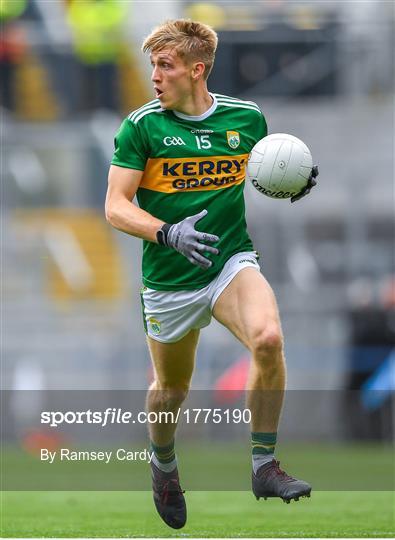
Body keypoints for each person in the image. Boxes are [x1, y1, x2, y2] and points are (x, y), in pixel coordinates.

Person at [105, 19, 318, 530]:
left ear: (197, 70)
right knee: (171, 389)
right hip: (169, 279)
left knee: (268, 339)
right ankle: (163, 463)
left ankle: (264, 464)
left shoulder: (247, 120)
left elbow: (268, 170)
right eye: (153, 65)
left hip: (228, 264)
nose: (154, 76)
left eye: (165, 65)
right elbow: (115, 206)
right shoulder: (142, 126)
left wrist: (296, 181)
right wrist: (167, 232)